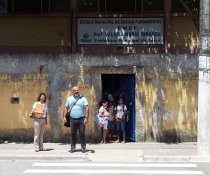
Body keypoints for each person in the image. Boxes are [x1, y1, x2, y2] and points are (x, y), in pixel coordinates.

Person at [63, 86, 89, 153]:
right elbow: (66, 107)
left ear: (79, 90)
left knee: (82, 133)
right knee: (72, 133)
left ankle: (83, 147)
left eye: (77, 90)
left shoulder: (83, 98)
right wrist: (64, 117)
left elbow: (87, 108)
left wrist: (86, 117)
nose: (76, 91)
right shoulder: (69, 98)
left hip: (81, 119)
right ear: (73, 91)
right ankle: (73, 147)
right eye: (75, 90)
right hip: (72, 119)